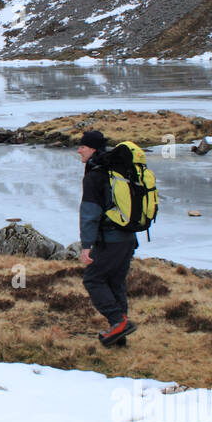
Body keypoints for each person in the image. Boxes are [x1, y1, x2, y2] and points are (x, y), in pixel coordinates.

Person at [77, 130, 138, 346]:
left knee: (93, 279)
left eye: (82, 146)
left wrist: (86, 246)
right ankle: (119, 335)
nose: (79, 150)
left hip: (111, 239)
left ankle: (117, 321)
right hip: (128, 238)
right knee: (115, 283)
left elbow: (90, 213)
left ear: (92, 149)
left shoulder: (96, 174)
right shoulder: (116, 171)